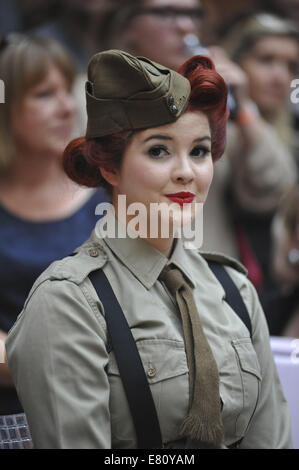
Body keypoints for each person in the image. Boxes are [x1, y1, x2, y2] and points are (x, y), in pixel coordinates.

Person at [6, 49, 292, 449]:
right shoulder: (68, 301)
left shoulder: (234, 290)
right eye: (159, 150)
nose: (186, 171)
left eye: (200, 151)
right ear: (110, 167)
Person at [0, 34, 108, 448]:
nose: (66, 107)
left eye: (69, 91)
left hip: (105, 413)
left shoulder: (110, 194)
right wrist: (37, 364)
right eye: (45, 94)